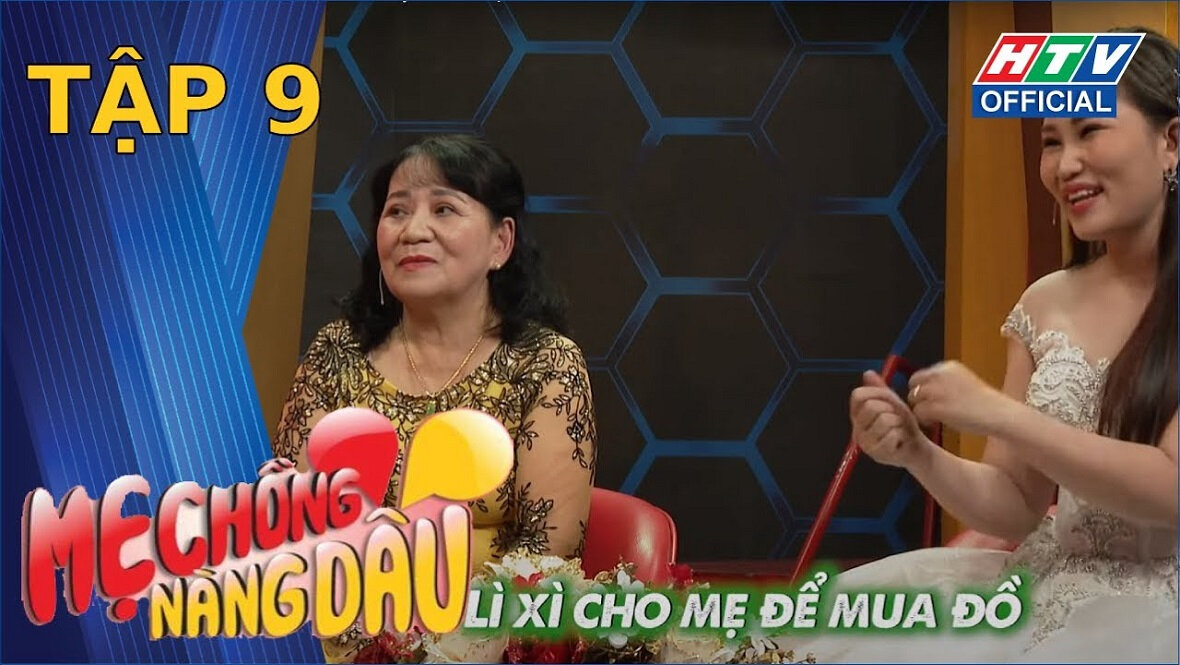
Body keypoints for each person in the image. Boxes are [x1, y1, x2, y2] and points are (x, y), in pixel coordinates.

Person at [792, 28, 1178, 662]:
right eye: (1051, 142)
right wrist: (918, 453)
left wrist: (1000, 414)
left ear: (1171, 141)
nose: (1065, 165)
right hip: (1043, 586)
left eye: (1089, 131)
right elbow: (1017, 505)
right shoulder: (1045, 302)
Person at [271, 134, 597, 663]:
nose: (413, 230)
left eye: (444, 209)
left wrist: (430, 642)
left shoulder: (544, 364)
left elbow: (547, 554)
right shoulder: (336, 352)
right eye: (397, 211)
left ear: (500, 243)